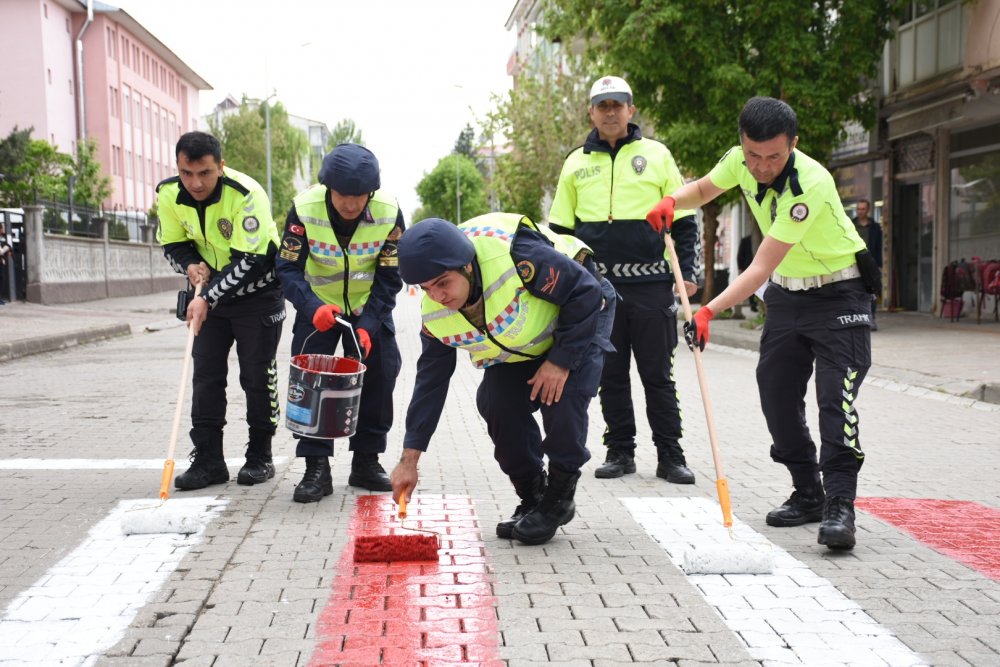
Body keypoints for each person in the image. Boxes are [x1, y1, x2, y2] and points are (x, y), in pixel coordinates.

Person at [646, 96, 879, 551]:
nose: (761, 166)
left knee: (836, 401)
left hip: (840, 294)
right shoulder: (741, 161)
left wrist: (709, 309)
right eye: (753, 154)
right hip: (789, 297)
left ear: (793, 144)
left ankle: (840, 506)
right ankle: (807, 491)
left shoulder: (809, 183)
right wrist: (673, 200)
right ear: (742, 144)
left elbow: (759, 268)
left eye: (773, 156)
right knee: (775, 392)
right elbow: (705, 190)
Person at [390, 214, 616, 545]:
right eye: (426, 288)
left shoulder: (518, 257)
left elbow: (585, 292)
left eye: (443, 283)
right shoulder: (436, 317)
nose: (437, 296)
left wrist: (559, 361)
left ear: (467, 265)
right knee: (496, 401)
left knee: (561, 398)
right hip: (524, 339)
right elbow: (430, 384)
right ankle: (533, 496)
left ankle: (558, 500)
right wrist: (409, 461)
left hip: (583, 310)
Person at [548, 75, 699, 484]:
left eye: (618, 104)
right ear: (591, 112)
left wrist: (690, 273)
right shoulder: (576, 161)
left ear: (631, 110)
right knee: (609, 376)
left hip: (651, 286)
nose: (610, 112)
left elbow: (685, 220)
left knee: (657, 375)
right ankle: (620, 451)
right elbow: (560, 231)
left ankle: (671, 454)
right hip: (599, 290)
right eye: (603, 105)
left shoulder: (657, 154)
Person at [156, 131, 285, 490]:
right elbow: (172, 243)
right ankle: (209, 460)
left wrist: (207, 297)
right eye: (186, 173)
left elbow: (251, 261)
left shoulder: (246, 195)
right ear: (178, 168)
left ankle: (260, 455)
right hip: (208, 296)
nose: (195, 183)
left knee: (257, 376)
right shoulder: (168, 194)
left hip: (257, 293)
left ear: (221, 167)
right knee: (206, 376)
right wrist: (191, 266)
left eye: (205, 173)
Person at [276, 144, 403, 503]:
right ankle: (316, 467)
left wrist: (370, 322)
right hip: (318, 308)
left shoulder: (389, 213)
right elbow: (286, 267)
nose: (350, 204)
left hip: (367, 309)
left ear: (371, 193)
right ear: (328, 188)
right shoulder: (304, 209)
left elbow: (391, 276)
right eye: (343, 196)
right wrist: (311, 305)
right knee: (311, 382)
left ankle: (366, 460)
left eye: (359, 196)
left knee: (380, 374)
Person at [852, 199, 883, 330]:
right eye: (858, 209)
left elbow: (878, 247)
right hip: (852, 261)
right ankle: (854, 319)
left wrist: (879, 265)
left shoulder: (875, 227)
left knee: (871, 291)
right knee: (853, 290)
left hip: (870, 263)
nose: (860, 211)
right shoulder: (850, 224)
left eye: (863, 209)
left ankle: (871, 318)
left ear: (868, 210)